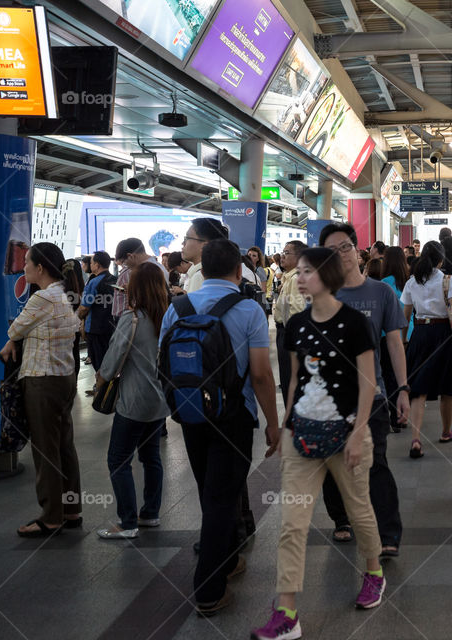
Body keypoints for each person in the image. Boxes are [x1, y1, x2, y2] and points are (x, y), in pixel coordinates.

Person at [251, 247, 384, 640]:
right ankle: (287, 611)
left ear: (327, 276)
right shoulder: (296, 325)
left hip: (346, 436)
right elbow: (294, 380)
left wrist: (359, 432)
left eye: (308, 271)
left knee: (359, 512)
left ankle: (374, 571)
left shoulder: (356, 324)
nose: (300, 276)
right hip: (302, 437)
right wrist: (284, 425)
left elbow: (367, 382)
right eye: (301, 270)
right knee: (292, 525)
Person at [159, 239, 281, 615]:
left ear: (203, 269)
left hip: (192, 415)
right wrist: (273, 424)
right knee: (222, 497)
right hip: (235, 417)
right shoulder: (249, 310)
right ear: (239, 270)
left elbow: (163, 366)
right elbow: (261, 375)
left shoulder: (176, 308)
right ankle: (208, 589)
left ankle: (228, 562)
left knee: (210, 491)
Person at [320, 223, 408, 557]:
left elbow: (395, 344)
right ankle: (342, 519)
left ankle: (388, 534)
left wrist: (402, 387)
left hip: (372, 396)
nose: (339, 255)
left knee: (376, 464)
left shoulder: (381, 293)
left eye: (344, 247)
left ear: (359, 251)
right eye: (330, 251)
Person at [1, 244, 80, 537]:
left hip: (41, 379)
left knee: (45, 450)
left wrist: (11, 340)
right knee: (63, 445)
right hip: (64, 376)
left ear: (41, 269)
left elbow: (14, 330)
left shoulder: (42, 298)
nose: (24, 268)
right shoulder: (64, 292)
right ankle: (72, 509)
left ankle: (51, 517)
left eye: (27, 263)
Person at [95, 263, 170, 539]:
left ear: (138, 287)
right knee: (151, 458)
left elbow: (113, 358)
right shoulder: (167, 316)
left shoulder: (133, 318)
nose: (125, 286)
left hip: (134, 400)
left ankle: (127, 522)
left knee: (118, 459)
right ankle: (150, 513)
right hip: (160, 399)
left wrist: (100, 381)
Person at [401, 240, 452, 457]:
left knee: (418, 389)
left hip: (420, 334)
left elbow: (406, 316)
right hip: (444, 334)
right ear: (441, 260)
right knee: (447, 386)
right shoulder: (448, 281)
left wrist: (404, 341)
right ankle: (446, 431)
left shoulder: (411, 282)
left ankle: (416, 439)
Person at [380, 246, 412, 430]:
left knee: (389, 377)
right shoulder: (409, 281)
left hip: (388, 335)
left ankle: (394, 416)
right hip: (409, 332)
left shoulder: (383, 283)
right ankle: (405, 413)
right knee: (406, 376)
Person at [273, 240, 308, 404]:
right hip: (286, 334)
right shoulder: (289, 278)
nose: (282, 255)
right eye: (283, 251)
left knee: (289, 380)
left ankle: (292, 423)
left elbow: (297, 313)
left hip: (289, 336)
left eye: (287, 252)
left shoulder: (295, 279)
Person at [182, 218, 255, 293]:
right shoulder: (225, 273)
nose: (183, 243)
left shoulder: (201, 276)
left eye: (187, 238)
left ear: (205, 246)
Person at [77, 251, 115, 393]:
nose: (90, 265)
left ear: (97, 265)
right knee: (109, 358)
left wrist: (78, 319)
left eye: (91, 263)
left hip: (96, 328)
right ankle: (106, 386)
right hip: (113, 327)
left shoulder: (94, 282)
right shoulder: (115, 280)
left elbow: (84, 307)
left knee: (97, 358)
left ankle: (102, 388)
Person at [62, 258, 85, 382]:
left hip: (64, 327)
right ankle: (74, 381)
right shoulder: (82, 285)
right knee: (75, 353)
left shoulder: (63, 287)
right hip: (76, 326)